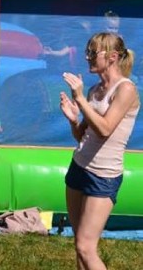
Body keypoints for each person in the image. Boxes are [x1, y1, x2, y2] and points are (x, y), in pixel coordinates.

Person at [60, 32, 139, 270]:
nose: (88, 58)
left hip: (103, 175)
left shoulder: (126, 90)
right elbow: (82, 136)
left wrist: (81, 100)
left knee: (86, 247)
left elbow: (105, 129)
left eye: (93, 53)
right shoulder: (95, 89)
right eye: (88, 52)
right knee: (79, 245)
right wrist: (74, 120)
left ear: (113, 57)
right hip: (79, 167)